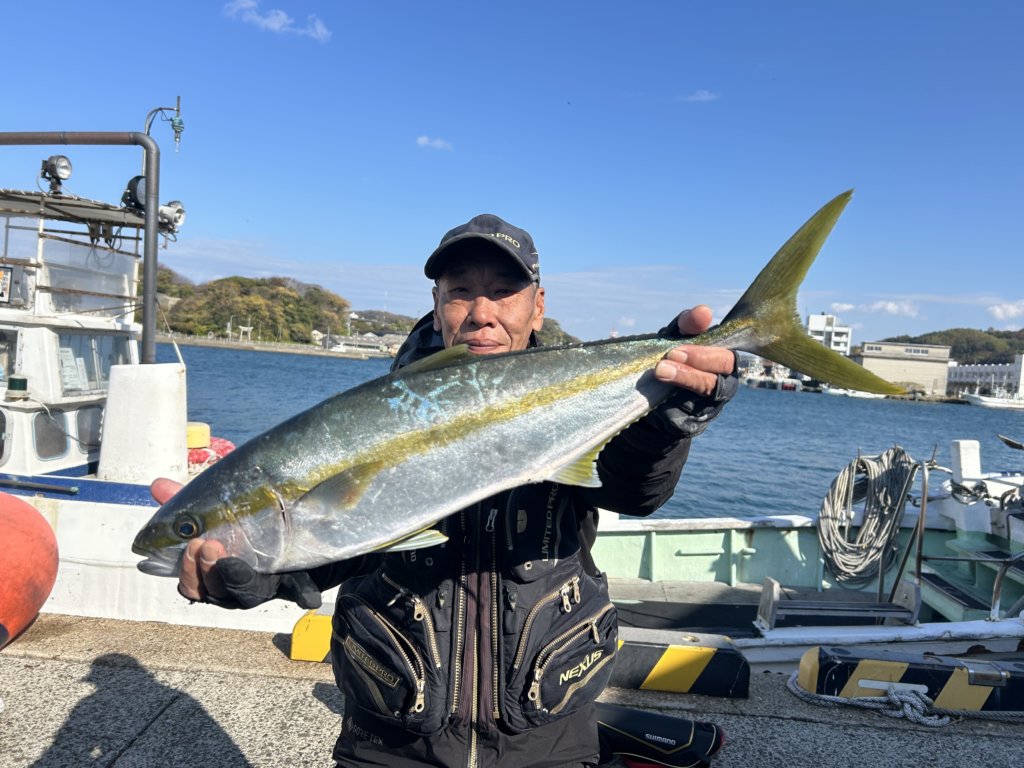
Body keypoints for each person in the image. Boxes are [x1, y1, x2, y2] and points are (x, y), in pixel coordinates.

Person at [154, 213, 738, 768]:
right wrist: (279, 571)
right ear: (437, 307)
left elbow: (632, 491)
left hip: (547, 733)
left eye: (504, 291)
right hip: (392, 734)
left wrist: (665, 424)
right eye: (460, 291)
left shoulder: (581, 393)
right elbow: (349, 538)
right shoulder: (372, 417)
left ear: (538, 308)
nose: (481, 312)